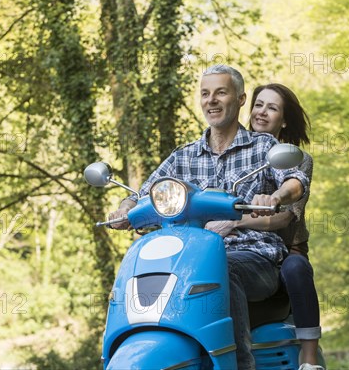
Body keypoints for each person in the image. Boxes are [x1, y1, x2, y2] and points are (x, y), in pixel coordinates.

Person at [108, 65, 310, 369]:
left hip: (253, 257)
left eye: (220, 92)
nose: (211, 100)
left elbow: (295, 179)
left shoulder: (263, 147)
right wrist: (125, 208)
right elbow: (143, 193)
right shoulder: (183, 156)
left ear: (240, 99)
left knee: (222, 270)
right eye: (205, 93)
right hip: (188, 259)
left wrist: (276, 196)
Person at [208, 83, 322, 370]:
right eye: (258, 104)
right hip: (237, 247)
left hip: (284, 246)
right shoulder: (232, 152)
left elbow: (284, 218)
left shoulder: (297, 159)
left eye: (272, 108)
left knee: (296, 269)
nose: (262, 112)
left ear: (283, 119)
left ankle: (309, 358)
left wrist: (231, 221)